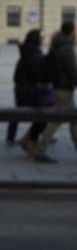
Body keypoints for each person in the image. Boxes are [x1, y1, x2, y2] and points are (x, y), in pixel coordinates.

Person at [32, 20, 77, 161]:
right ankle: (40, 151)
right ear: (71, 32)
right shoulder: (66, 47)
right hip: (63, 88)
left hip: (59, 86)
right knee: (57, 120)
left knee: (73, 120)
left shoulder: (58, 44)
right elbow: (72, 70)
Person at [8, 29, 48, 150]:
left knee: (19, 113)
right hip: (30, 91)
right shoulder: (34, 54)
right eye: (42, 37)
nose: (43, 40)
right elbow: (37, 74)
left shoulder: (27, 52)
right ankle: (30, 141)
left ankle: (15, 137)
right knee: (42, 116)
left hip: (22, 89)